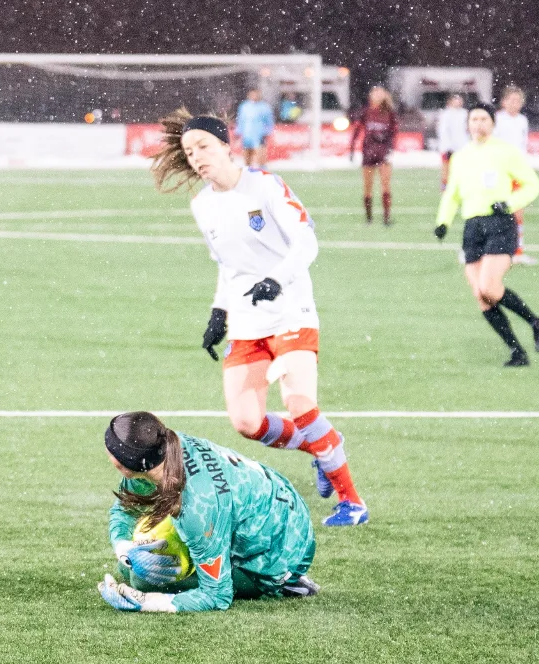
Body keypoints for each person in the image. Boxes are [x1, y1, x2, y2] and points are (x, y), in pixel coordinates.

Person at [153, 110, 368, 527]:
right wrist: (219, 312)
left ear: (225, 145)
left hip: (291, 311)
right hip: (248, 322)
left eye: (203, 147)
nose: (196, 157)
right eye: (189, 151)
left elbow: (306, 241)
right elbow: (227, 266)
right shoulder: (203, 205)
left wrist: (276, 278)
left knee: (301, 407)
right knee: (246, 422)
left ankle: (352, 501)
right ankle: (324, 448)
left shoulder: (264, 185)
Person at [96, 411, 319, 614]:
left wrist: (146, 601)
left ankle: (284, 581)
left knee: (142, 579)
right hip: (281, 507)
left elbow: (217, 596)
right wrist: (123, 547)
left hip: (285, 551)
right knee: (129, 566)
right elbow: (126, 509)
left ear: (121, 464)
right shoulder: (162, 449)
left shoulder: (196, 508)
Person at [435, 104, 539, 365]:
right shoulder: (461, 156)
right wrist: (443, 221)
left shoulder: (505, 152)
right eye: (474, 119)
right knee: (481, 295)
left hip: (499, 223)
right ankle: (517, 352)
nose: (478, 124)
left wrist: (509, 203)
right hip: (472, 228)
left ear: (492, 123)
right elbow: (452, 194)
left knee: (489, 287)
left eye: (483, 119)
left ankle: (537, 323)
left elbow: (533, 185)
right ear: (468, 124)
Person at [495, 85, 538, 265]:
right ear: (504, 102)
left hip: (517, 172)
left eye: (518, 100)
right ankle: (482, 250)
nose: (515, 104)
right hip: (500, 172)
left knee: (518, 213)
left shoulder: (522, 120)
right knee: (494, 213)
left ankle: (517, 251)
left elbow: (522, 145)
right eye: (511, 100)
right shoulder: (496, 119)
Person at [349, 86, 398, 225]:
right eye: (374, 92)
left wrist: (390, 148)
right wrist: (352, 149)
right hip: (369, 152)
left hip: (383, 153)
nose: (376, 94)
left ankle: (387, 218)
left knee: (385, 185)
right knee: (367, 186)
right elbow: (357, 130)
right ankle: (369, 218)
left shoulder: (389, 113)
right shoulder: (366, 112)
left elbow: (394, 133)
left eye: (379, 92)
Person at [435, 92, 469, 188]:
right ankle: (446, 190)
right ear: (450, 101)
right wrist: (447, 146)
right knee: (447, 170)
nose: (458, 102)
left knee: (462, 169)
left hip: (462, 147)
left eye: (459, 99)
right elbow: (443, 131)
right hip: (448, 148)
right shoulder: (445, 114)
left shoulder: (465, 113)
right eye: (455, 99)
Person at [236, 87, 274, 167]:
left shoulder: (264, 107)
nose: (254, 96)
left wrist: (267, 132)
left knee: (260, 158)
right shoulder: (244, 106)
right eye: (252, 94)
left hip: (259, 135)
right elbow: (240, 120)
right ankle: (248, 175)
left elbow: (269, 121)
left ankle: (263, 174)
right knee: (247, 159)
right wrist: (238, 131)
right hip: (247, 136)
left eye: (256, 94)